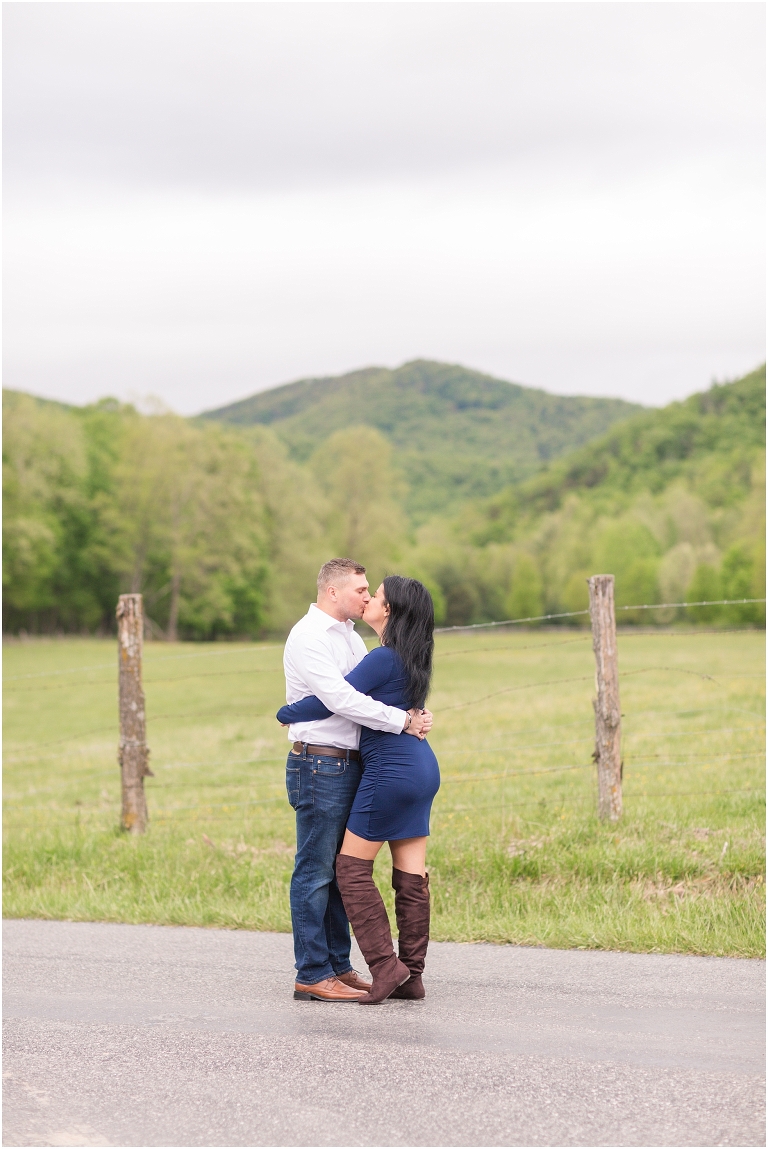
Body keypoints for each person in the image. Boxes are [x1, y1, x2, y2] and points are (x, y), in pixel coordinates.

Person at [278, 573, 439, 1004]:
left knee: (348, 870)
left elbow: (334, 698)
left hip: (390, 772)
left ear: (390, 610)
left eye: (376, 594)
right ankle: (412, 975)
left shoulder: (382, 656)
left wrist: (286, 712)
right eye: (364, 591)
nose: (369, 599)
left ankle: (385, 968)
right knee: (411, 875)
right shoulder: (411, 655)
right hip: (421, 768)